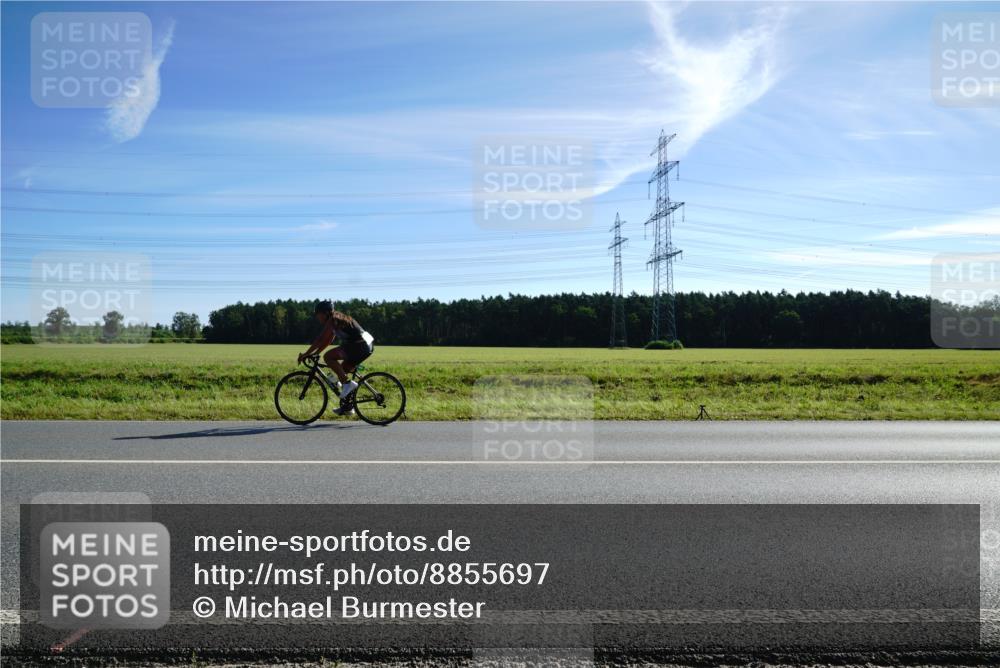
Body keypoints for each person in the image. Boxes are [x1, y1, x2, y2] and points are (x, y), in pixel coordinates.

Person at [298, 300, 375, 415]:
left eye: (318, 314)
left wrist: (306, 354)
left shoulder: (333, 320)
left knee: (328, 357)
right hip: (366, 345)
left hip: (360, 345)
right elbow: (328, 340)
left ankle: (348, 384)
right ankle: (348, 407)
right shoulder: (336, 319)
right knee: (341, 371)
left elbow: (320, 339)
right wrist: (316, 353)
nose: (317, 317)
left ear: (325, 313)